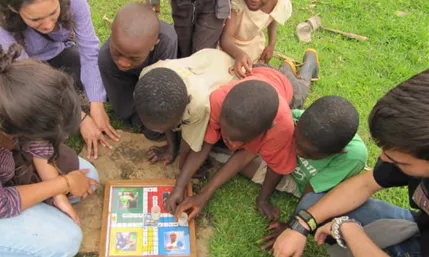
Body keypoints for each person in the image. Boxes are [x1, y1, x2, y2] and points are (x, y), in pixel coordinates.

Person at [273, 69, 429, 257]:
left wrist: (348, 229)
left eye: (400, 161)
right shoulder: (408, 147)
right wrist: (302, 223)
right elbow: (365, 184)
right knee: (313, 204)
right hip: (419, 228)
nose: (384, 159)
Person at [167, 49, 320, 218]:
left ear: (268, 127)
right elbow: (205, 143)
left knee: (302, 88)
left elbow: (274, 167)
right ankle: (286, 66)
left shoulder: (282, 127)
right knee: (279, 73)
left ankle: (309, 63)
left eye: (239, 140)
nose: (231, 145)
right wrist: (180, 186)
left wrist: (263, 199)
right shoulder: (218, 99)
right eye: (225, 133)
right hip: (259, 70)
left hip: (287, 89)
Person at [0, 44, 100, 257]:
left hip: (8, 161)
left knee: (89, 176)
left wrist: (58, 194)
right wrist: (61, 184)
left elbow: (36, 139)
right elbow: (2, 204)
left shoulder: (11, 83)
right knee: (66, 241)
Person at [0, 0, 119, 159]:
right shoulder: (2, 24)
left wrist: (97, 104)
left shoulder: (75, 3)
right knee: (32, 112)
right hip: (21, 69)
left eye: (52, 13)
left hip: (57, 53)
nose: (48, 25)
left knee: (106, 78)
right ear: (12, 8)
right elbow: (30, 80)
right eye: (36, 20)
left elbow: (89, 52)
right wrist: (81, 118)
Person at [252, 97, 368, 252]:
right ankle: (304, 76)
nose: (298, 152)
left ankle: (304, 75)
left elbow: (311, 190)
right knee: (243, 155)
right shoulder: (292, 118)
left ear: (337, 152)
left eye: (308, 154)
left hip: (307, 189)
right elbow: (279, 158)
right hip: (283, 167)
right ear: (297, 124)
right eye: (296, 142)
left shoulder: (352, 157)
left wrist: (292, 226)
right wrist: (263, 198)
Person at [134, 49, 236, 166]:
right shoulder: (146, 77)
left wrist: (182, 164)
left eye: (171, 126)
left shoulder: (197, 106)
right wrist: (171, 148)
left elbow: (189, 139)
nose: (160, 132)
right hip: (205, 60)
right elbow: (163, 110)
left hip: (226, 69)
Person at [98, 2, 178, 141]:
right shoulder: (106, 59)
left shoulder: (167, 43)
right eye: (118, 52)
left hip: (156, 78)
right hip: (126, 82)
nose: (123, 62)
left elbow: (164, 88)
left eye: (133, 57)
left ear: (154, 45)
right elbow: (125, 108)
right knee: (131, 117)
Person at [220, 0, 293, 78]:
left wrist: (271, 45)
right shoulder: (238, 4)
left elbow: (273, 18)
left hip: (253, 46)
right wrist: (239, 55)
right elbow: (225, 39)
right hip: (231, 48)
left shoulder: (279, 4)